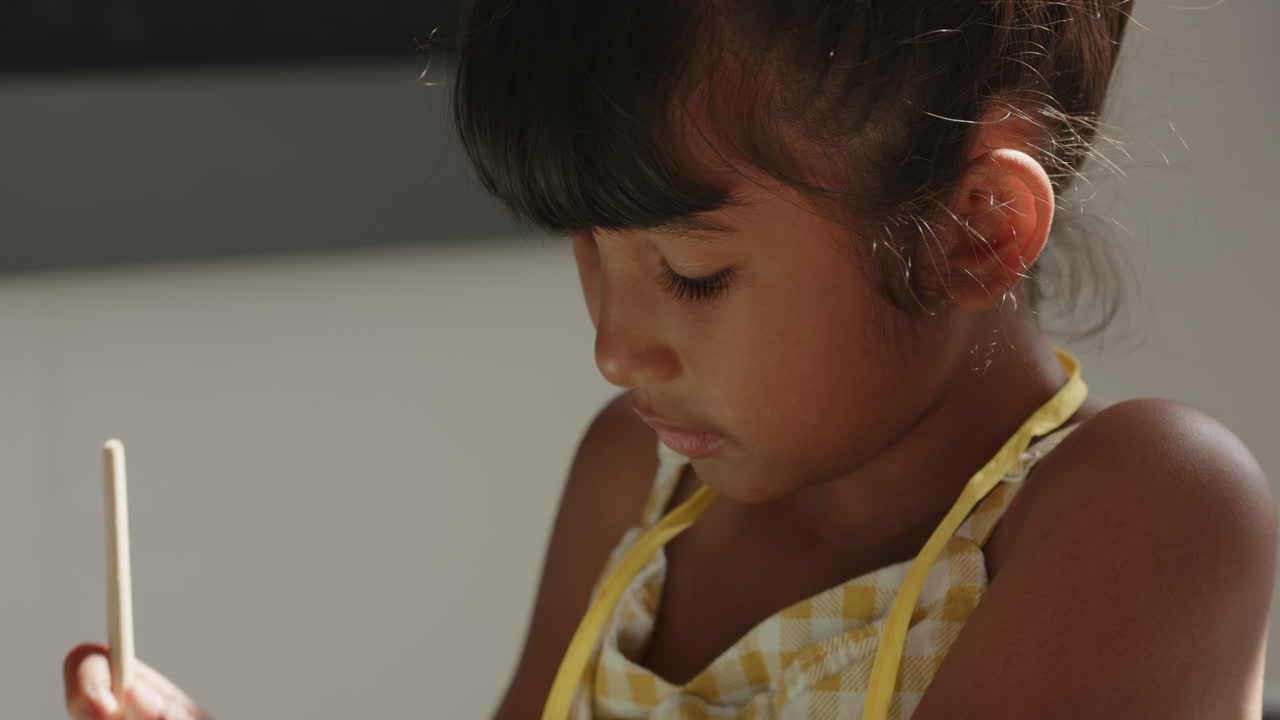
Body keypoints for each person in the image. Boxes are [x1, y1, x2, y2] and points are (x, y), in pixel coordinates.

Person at [65, 1, 1276, 718]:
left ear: (972, 231)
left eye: (692, 274)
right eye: (584, 251)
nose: (612, 347)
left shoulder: (1144, 512)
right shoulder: (637, 485)